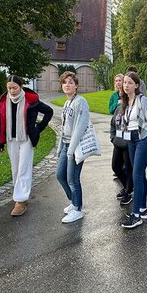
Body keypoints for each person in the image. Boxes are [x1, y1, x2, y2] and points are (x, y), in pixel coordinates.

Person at [0, 75, 53, 216]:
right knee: (15, 168)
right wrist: (0, 140)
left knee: (24, 168)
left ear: (21, 87)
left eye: (15, 88)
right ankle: (20, 195)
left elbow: (49, 111)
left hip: (26, 138)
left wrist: (39, 128)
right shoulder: (4, 100)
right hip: (11, 138)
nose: (12, 91)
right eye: (9, 88)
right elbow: (1, 120)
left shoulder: (31, 99)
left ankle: (21, 201)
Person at [120, 71, 147, 228]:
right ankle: (142, 209)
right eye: (125, 82)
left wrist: (145, 133)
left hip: (143, 139)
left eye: (130, 83)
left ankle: (136, 215)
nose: (126, 85)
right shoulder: (125, 102)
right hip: (131, 140)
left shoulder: (142, 100)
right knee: (139, 174)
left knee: (136, 174)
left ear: (136, 85)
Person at [56, 71, 90, 223]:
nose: (67, 85)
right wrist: (60, 147)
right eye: (65, 82)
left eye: (70, 82)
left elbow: (80, 127)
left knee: (72, 179)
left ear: (76, 86)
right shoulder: (67, 102)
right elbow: (64, 127)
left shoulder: (80, 102)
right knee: (60, 175)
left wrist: (71, 150)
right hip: (66, 144)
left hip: (75, 146)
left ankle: (77, 208)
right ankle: (74, 201)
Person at [110, 105, 134, 205]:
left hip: (129, 144)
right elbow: (112, 124)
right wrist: (113, 137)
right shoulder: (119, 108)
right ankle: (127, 186)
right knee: (116, 167)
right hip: (118, 142)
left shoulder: (134, 108)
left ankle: (128, 191)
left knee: (128, 169)